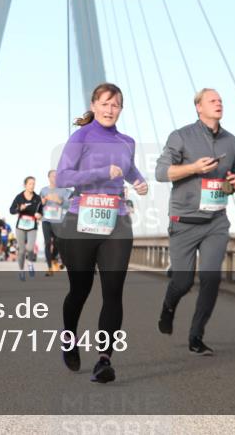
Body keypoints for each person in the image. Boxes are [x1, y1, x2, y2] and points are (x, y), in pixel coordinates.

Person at [55, 83, 148, 383]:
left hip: (116, 221)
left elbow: (128, 169)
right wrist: (101, 173)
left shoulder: (126, 141)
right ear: (94, 105)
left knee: (113, 291)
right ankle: (69, 336)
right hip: (80, 221)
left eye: (116, 105)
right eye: (105, 104)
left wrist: (140, 182)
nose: (110, 110)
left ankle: (104, 360)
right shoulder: (80, 136)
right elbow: (62, 177)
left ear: (121, 109)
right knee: (80, 290)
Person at [155, 88, 235, 356]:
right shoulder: (180, 136)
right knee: (183, 282)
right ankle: (169, 305)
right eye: (212, 100)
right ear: (198, 107)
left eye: (220, 100)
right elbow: (161, 172)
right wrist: (193, 168)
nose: (218, 103)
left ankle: (196, 335)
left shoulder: (231, 141)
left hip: (216, 221)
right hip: (184, 221)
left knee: (211, 277)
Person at [10, 177, 43, 280]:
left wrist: (40, 215)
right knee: (22, 250)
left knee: (30, 248)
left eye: (34, 184)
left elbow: (41, 212)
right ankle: (21, 271)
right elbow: (11, 210)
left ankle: (30, 264)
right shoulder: (19, 197)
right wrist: (19, 209)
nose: (32, 186)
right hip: (20, 226)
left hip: (32, 226)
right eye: (30, 184)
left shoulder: (37, 198)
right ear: (25, 185)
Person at [39, 169, 70, 276]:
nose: (55, 178)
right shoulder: (43, 190)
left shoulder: (64, 191)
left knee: (58, 243)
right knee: (47, 243)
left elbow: (69, 205)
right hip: (46, 220)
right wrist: (41, 202)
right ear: (49, 177)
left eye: (57, 176)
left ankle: (53, 258)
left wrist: (60, 201)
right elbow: (38, 206)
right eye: (53, 176)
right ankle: (49, 268)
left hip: (58, 221)